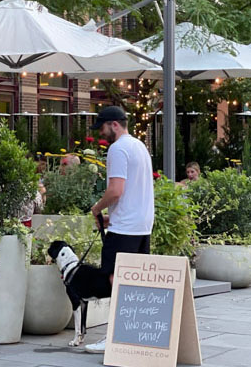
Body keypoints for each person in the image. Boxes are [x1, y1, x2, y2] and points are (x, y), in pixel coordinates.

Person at [63, 106, 154, 354]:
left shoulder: (118, 148)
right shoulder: (140, 147)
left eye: (102, 128)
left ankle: (114, 337)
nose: (102, 135)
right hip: (141, 225)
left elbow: (116, 190)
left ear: (114, 124)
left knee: (116, 279)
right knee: (132, 281)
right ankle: (131, 334)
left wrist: (97, 208)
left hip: (124, 228)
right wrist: (110, 218)